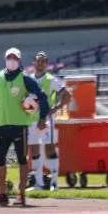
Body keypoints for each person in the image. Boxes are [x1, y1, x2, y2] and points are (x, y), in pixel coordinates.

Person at [0, 48, 49, 207]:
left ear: (19, 60)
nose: (11, 60)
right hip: (3, 125)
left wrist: (42, 117)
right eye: (9, 57)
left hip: (20, 126)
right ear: (5, 59)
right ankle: (2, 193)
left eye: (14, 57)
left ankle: (21, 193)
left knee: (21, 159)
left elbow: (42, 96)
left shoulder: (25, 78)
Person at [29, 52, 69, 190]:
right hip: (31, 119)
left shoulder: (51, 79)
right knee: (34, 149)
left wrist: (54, 109)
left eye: (43, 61)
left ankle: (54, 183)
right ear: (34, 62)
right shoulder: (28, 80)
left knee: (49, 147)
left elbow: (67, 95)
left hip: (46, 119)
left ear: (47, 64)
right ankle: (38, 183)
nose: (40, 63)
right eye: (38, 61)